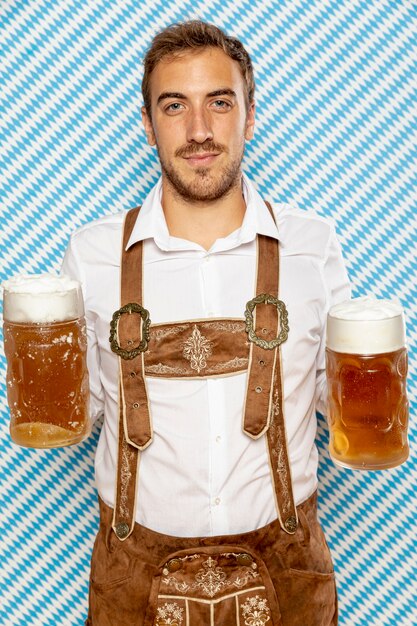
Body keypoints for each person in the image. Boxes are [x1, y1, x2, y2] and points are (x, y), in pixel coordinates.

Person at [62, 20, 350, 626]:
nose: (199, 131)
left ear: (250, 115)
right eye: (174, 106)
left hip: (290, 575)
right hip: (131, 582)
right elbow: (75, 414)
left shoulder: (311, 245)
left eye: (220, 103)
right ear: (147, 124)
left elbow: (341, 406)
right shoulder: (90, 255)